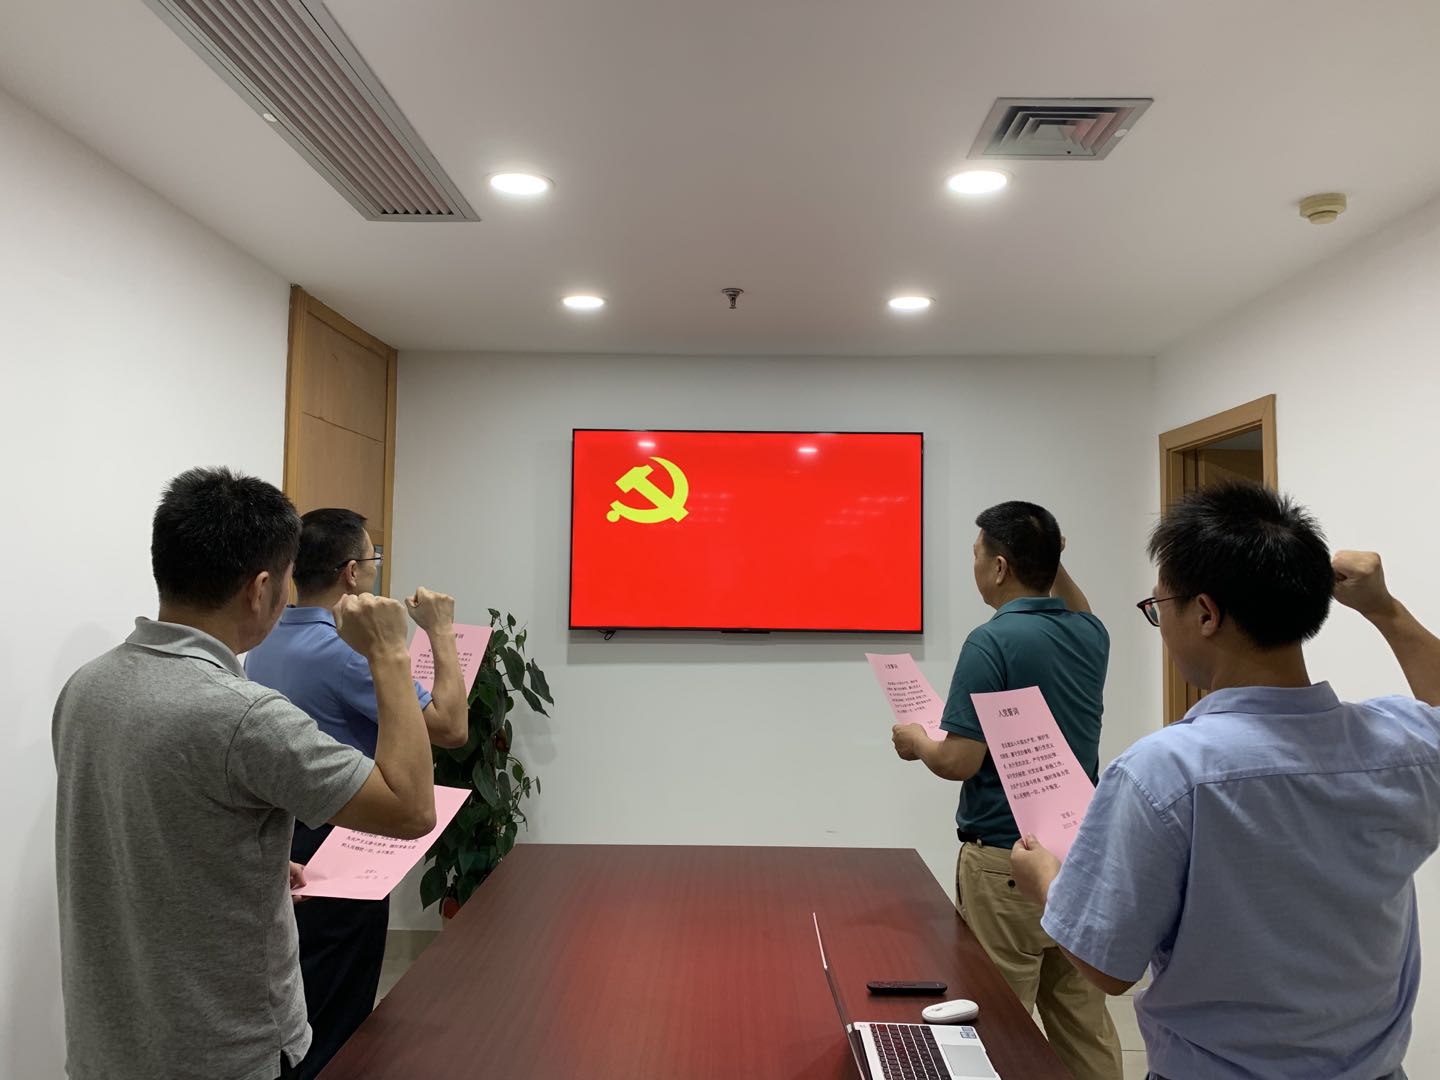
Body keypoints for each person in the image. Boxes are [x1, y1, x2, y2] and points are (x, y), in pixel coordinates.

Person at [1011, 482, 1439, 1080]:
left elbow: (1106, 968)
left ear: (1206, 614)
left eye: (1159, 607)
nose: (1161, 624)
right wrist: (1384, 608)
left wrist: (1045, 882)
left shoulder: (1164, 773)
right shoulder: (1402, 746)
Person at [53, 468, 436, 1080]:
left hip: (106, 1045)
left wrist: (248, 863)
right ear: (261, 589)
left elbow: (148, 817)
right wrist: (389, 652)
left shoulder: (86, 686)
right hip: (225, 1051)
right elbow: (412, 810)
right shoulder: (245, 714)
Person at [892, 501, 1122, 1080]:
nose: (973, 567)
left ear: (999, 567)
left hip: (1004, 860)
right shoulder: (1090, 635)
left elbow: (959, 760)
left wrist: (917, 740)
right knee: (1083, 1023)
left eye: (976, 556)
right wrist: (1052, 557)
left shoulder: (990, 642)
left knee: (999, 1019)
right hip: (1078, 855)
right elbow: (1078, 605)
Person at [244, 507, 469, 1078]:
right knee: (339, 1018)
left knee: (302, 1000)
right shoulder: (347, 655)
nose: (374, 568)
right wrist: (440, 631)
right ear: (351, 572)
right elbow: (450, 727)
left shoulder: (266, 643)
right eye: (373, 558)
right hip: (340, 848)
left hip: (285, 841)